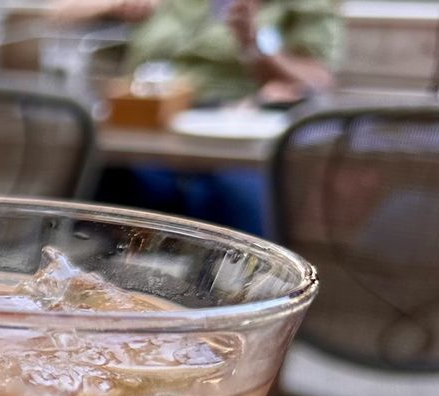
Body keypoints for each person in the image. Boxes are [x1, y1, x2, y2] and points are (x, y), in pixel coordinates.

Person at [56, 0, 342, 234]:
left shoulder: (301, 7)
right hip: (146, 128)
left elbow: (316, 79)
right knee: (102, 177)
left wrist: (253, 44)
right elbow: (58, 12)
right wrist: (114, 7)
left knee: (234, 197)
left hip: (234, 135)